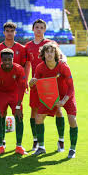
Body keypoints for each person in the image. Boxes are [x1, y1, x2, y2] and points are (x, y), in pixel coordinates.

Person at [29, 43, 78, 158]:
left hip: (66, 95)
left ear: (56, 53)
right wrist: (31, 84)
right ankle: (41, 147)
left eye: (52, 51)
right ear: (43, 54)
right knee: (39, 117)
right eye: (47, 51)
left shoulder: (63, 66)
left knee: (72, 120)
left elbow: (71, 87)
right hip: (50, 95)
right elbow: (36, 86)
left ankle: (72, 149)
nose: (49, 54)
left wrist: (64, 101)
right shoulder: (40, 67)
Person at [25, 19, 66, 152]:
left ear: (45, 29)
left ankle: (61, 140)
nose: (39, 29)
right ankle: (36, 141)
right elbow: (27, 64)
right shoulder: (28, 46)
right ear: (33, 29)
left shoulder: (51, 44)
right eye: (37, 27)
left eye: (42, 27)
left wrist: (64, 61)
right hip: (36, 83)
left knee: (58, 110)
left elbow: (62, 57)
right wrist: (26, 81)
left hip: (52, 84)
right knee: (34, 111)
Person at [0, 22, 28, 148]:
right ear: (4, 32)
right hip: (1, 89)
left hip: (15, 90)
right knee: (0, 115)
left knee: (18, 115)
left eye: (12, 31)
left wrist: (25, 82)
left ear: (15, 33)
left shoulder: (21, 48)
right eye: (7, 30)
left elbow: (24, 66)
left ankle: (19, 145)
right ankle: (1, 143)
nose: (9, 33)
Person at [0, 48, 27, 155]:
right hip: (0, 94)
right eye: (4, 60)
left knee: (19, 116)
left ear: (13, 59)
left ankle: (19, 146)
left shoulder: (19, 69)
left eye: (9, 60)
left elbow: (22, 87)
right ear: (1, 60)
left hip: (14, 94)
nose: (7, 62)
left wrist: (19, 106)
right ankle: (0, 146)